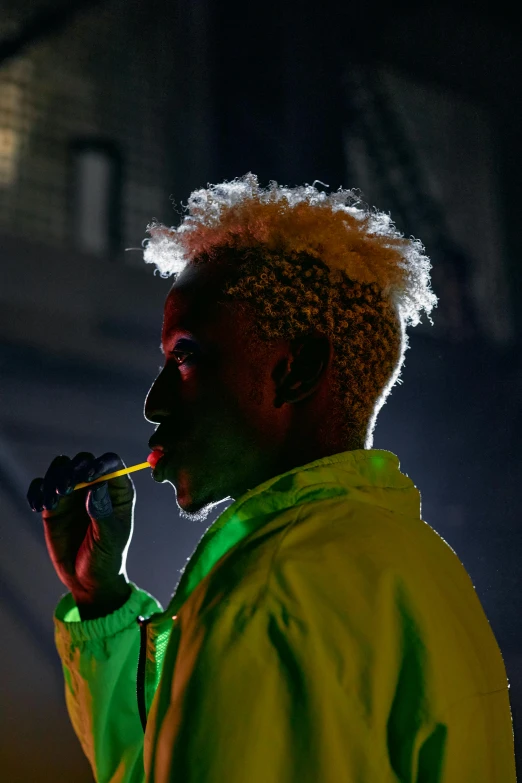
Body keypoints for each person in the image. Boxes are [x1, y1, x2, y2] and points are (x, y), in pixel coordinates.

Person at [27, 173, 516, 782]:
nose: (154, 402)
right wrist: (102, 602)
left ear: (297, 370)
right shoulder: (416, 564)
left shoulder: (268, 596)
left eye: (186, 358)